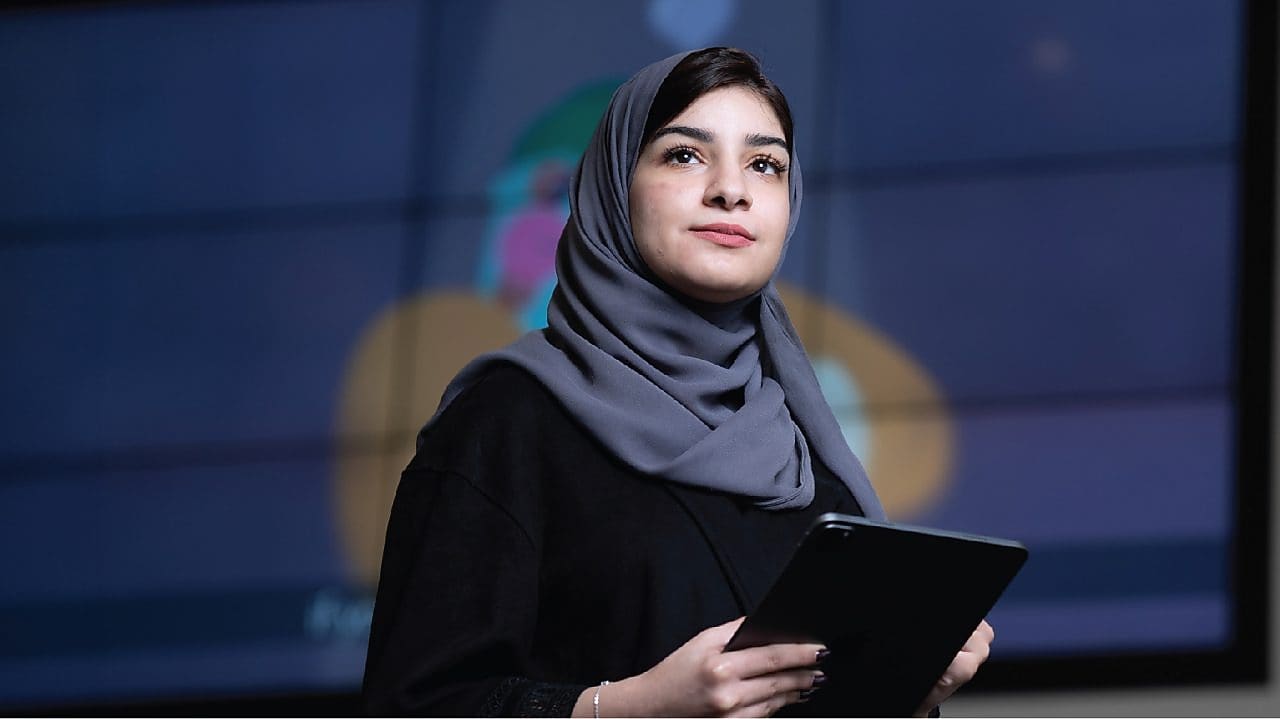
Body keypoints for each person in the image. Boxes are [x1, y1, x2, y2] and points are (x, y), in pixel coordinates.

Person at [361, 47, 994, 717]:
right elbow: (415, 706)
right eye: (685, 155)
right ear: (612, 186)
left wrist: (898, 686)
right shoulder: (505, 424)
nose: (732, 189)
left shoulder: (805, 445)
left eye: (765, 164)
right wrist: (633, 708)